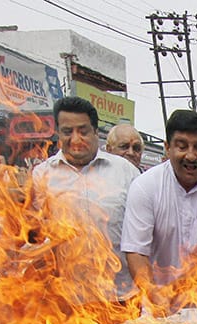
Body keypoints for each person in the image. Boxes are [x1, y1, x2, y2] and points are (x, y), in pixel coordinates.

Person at [121, 109, 197, 314]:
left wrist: (174, 292)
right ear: (167, 148)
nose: (191, 156)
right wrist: (154, 293)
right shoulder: (144, 187)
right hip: (159, 306)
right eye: (182, 146)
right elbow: (136, 252)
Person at [32, 97, 140, 303]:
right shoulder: (42, 175)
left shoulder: (126, 172)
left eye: (83, 131)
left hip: (122, 297)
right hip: (70, 302)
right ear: (58, 133)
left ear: (95, 132)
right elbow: (38, 233)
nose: (75, 139)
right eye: (67, 132)